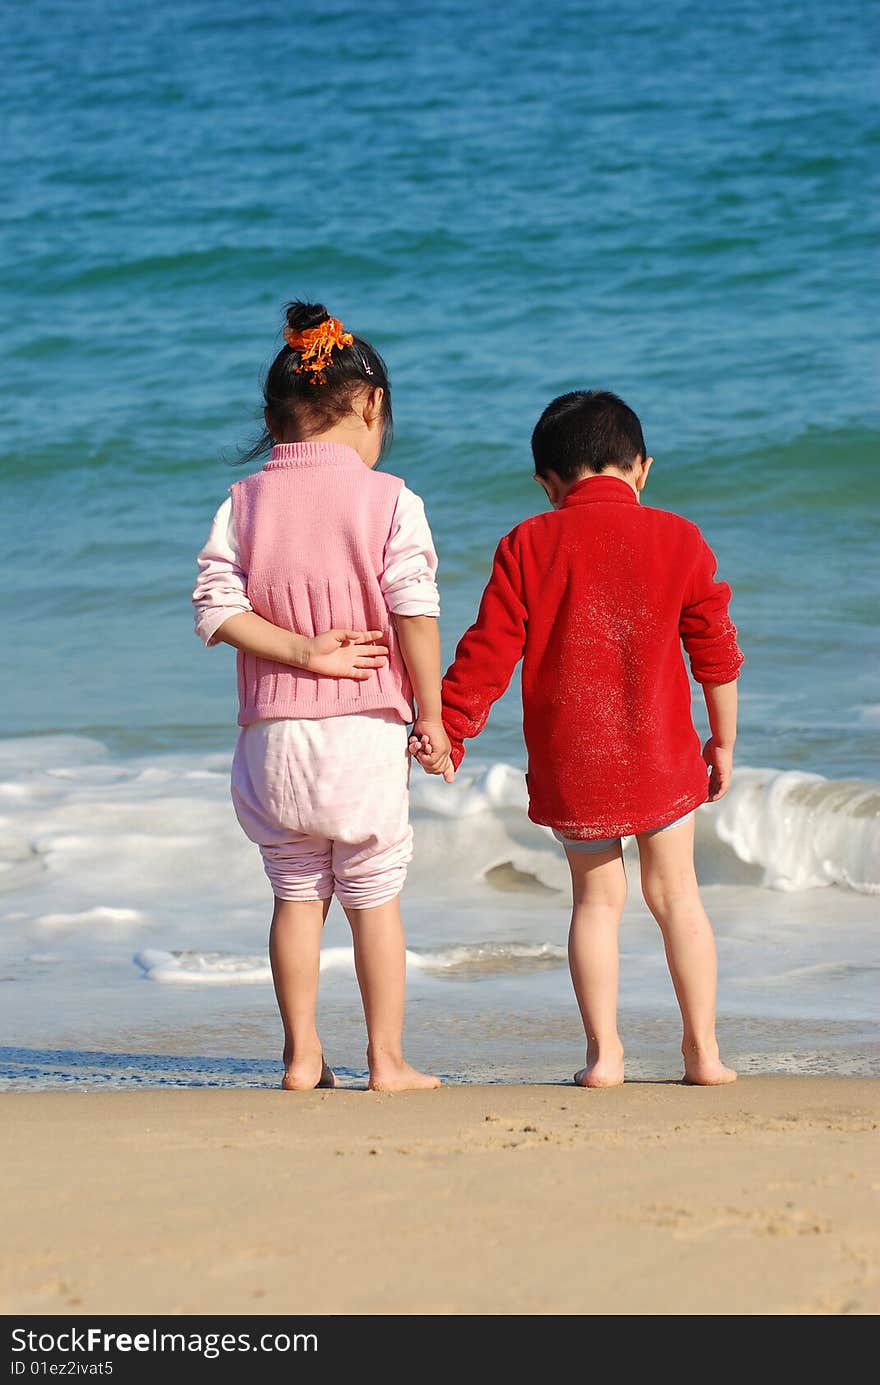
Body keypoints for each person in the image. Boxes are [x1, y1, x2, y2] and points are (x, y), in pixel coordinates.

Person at [412, 391, 743, 1087]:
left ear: (548, 483)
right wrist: (722, 743)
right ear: (642, 468)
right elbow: (715, 654)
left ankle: (606, 1055)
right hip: (661, 755)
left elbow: (489, 651)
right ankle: (703, 1053)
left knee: (596, 902)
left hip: (574, 763)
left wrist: (450, 728)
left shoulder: (527, 544)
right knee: (676, 894)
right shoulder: (681, 538)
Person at [193, 301, 450, 1092]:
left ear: (274, 421)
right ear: (371, 405)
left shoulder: (242, 501)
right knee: (373, 895)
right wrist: (432, 717)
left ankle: (302, 1055)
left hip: (272, 736)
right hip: (362, 730)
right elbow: (415, 607)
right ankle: (387, 1058)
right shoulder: (390, 498)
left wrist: (299, 651)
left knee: (297, 895)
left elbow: (215, 608)